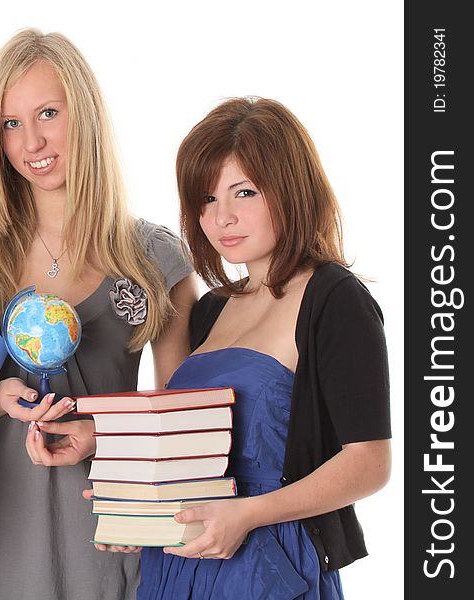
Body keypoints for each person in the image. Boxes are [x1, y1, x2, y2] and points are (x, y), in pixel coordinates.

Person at [0, 28, 197, 600]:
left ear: (85, 114)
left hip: (112, 563)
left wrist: (103, 436)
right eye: (10, 123)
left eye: (48, 112)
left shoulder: (155, 257)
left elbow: (188, 428)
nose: (32, 141)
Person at [92, 96, 392, 599]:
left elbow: (369, 461)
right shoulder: (211, 308)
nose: (222, 217)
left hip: (269, 560)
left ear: (292, 189)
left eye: (244, 192)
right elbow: (189, 443)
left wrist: (249, 514)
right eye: (207, 199)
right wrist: (137, 508)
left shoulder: (334, 299)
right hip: (181, 559)